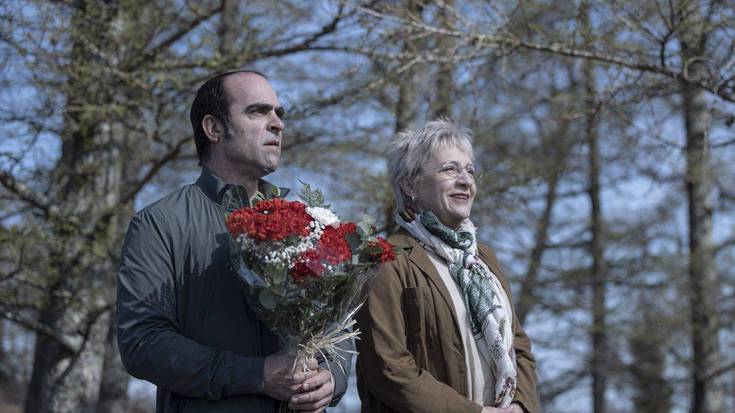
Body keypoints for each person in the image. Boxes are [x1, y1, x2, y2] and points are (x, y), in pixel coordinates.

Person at [117, 70, 350, 413]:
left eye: (278, 114)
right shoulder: (160, 224)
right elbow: (143, 344)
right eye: (258, 111)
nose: (277, 124)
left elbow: (337, 327)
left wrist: (331, 378)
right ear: (214, 128)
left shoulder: (307, 224)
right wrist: (255, 375)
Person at [355, 119, 540, 413]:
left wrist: (520, 405)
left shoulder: (484, 258)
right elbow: (387, 367)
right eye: (450, 169)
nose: (465, 180)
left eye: (470, 171)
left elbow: (518, 345)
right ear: (410, 184)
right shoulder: (387, 259)